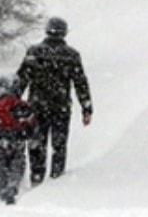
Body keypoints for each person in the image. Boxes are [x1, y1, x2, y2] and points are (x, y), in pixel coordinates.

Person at [16, 16, 93, 184]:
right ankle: (56, 179)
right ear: (64, 33)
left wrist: (13, 101)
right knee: (59, 144)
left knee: (37, 143)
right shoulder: (72, 55)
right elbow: (80, 83)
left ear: (47, 30)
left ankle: (37, 177)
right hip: (61, 106)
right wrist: (86, 108)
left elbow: (21, 79)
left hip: (36, 106)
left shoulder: (34, 52)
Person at [0, 75, 36, 205]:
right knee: (18, 165)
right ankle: (13, 187)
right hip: (18, 142)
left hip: (0, 142)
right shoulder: (23, 107)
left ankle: (3, 190)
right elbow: (31, 125)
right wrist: (31, 138)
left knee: (2, 167)